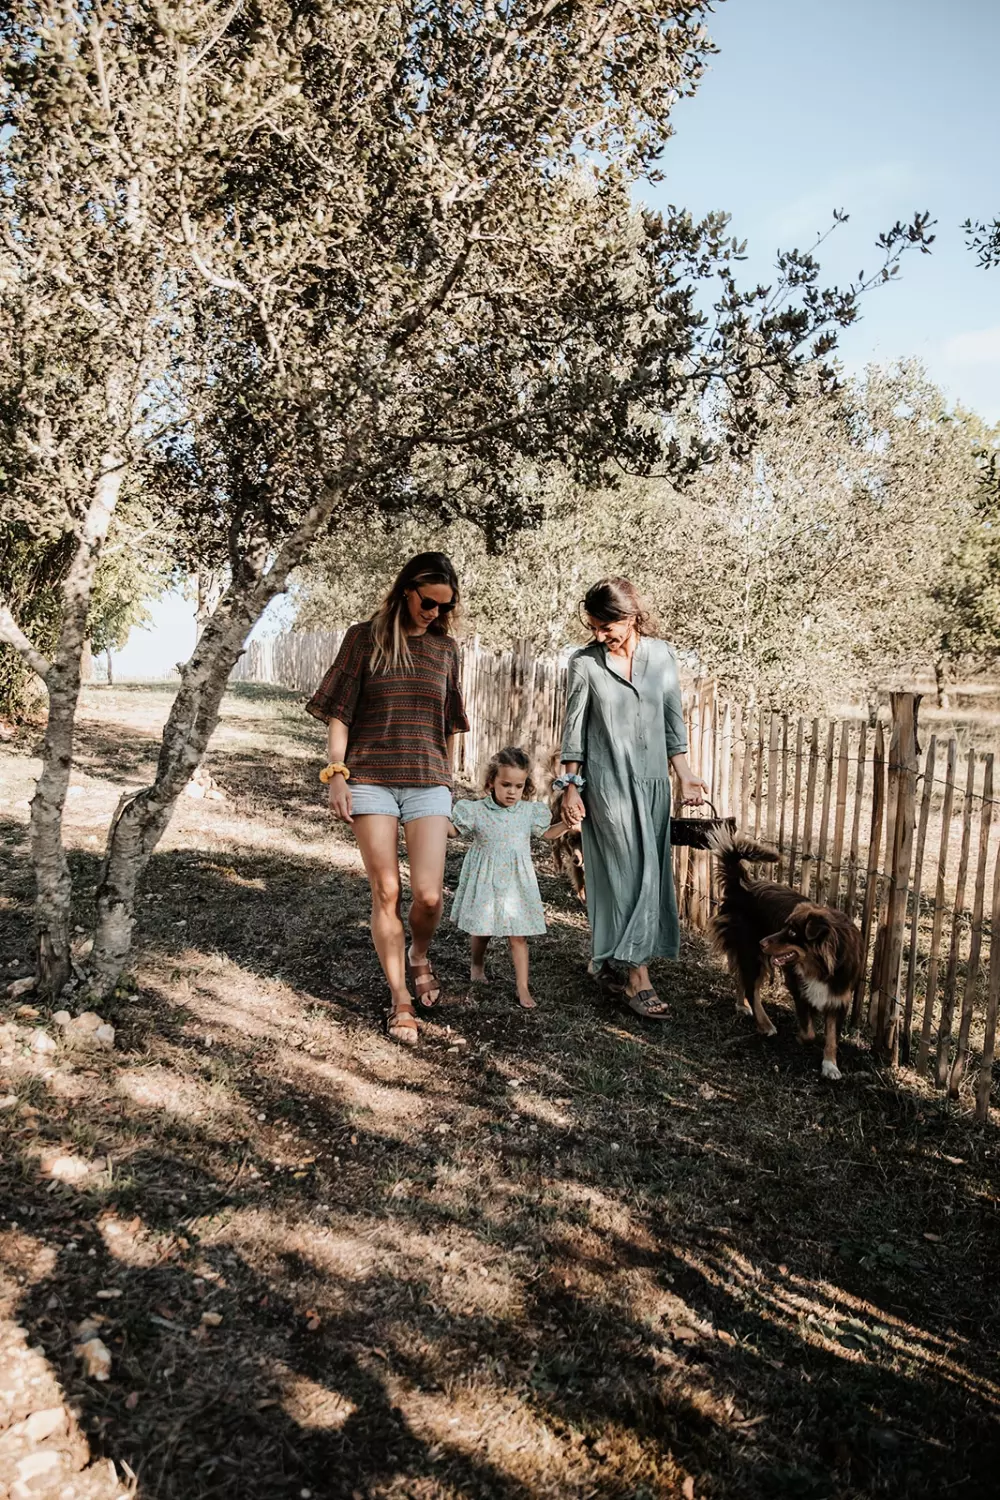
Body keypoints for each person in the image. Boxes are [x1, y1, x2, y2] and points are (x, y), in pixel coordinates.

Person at [306, 553, 469, 1046]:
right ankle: (400, 997)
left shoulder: (446, 649)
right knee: (386, 891)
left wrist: (448, 784)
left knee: (429, 895)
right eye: (428, 602)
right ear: (405, 591)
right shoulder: (364, 638)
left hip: (428, 781)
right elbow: (340, 712)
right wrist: (337, 774)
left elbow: (450, 722)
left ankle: (418, 953)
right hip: (370, 779)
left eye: (445, 606)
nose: (435, 613)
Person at [557, 577, 708, 1018]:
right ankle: (637, 979)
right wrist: (571, 787)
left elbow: (672, 722)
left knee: (651, 872)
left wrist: (685, 775)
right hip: (608, 785)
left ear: (631, 616)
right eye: (594, 627)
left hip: (654, 784)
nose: (599, 635)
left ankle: (605, 957)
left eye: (606, 626)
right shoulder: (584, 663)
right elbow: (573, 731)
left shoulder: (662, 656)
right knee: (628, 874)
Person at [449, 747, 568, 1010]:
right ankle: (477, 965)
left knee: (518, 936)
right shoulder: (477, 810)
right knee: (482, 930)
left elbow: (546, 834)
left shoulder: (528, 812)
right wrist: (432, 816)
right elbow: (454, 831)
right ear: (491, 781)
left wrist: (567, 824)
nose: (512, 792)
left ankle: (522, 986)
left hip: (517, 882)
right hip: (485, 878)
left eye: (518, 786)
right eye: (505, 785)